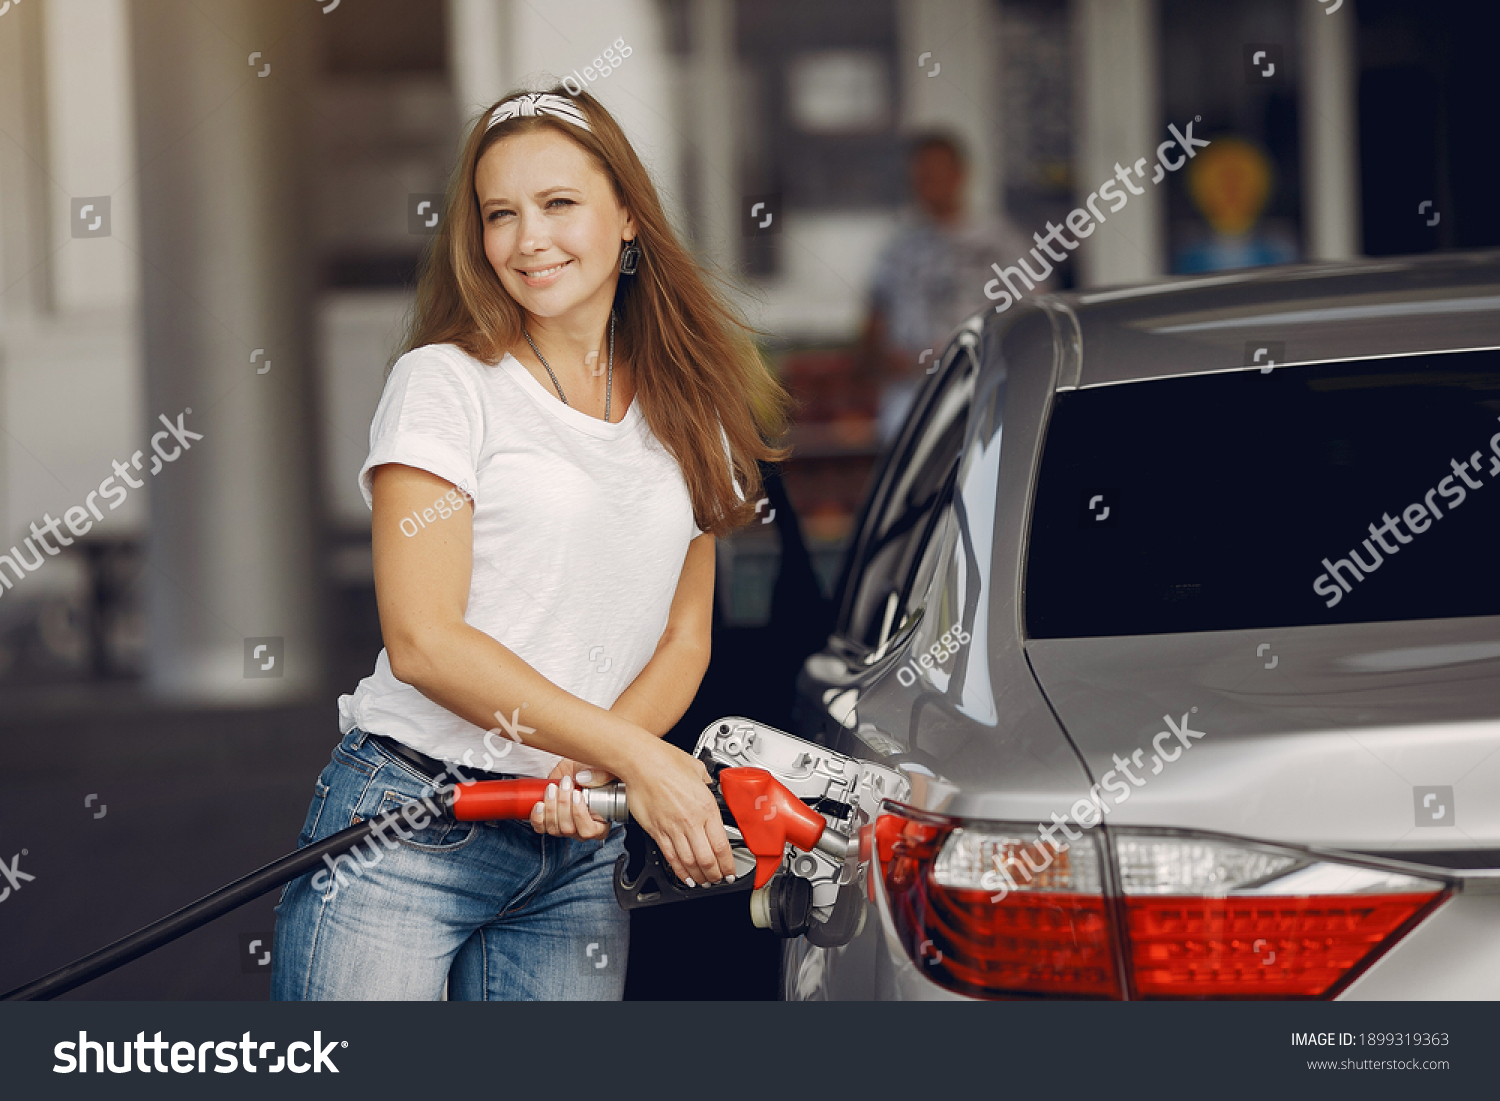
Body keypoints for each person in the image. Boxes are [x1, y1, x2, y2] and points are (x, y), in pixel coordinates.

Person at [271, 87, 791, 1001]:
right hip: (410, 824)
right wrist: (638, 758)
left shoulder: (693, 402)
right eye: (499, 215)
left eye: (559, 204)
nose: (528, 239)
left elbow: (684, 638)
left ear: (627, 215)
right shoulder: (445, 384)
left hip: (575, 844)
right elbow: (425, 640)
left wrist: (596, 764)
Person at [857, 131, 1056, 445]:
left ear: (960, 174)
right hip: (913, 413)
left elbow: (1037, 321)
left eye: (936, 174)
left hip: (988, 405)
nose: (928, 185)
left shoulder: (1004, 243)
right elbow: (871, 334)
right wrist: (892, 362)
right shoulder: (897, 251)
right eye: (921, 177)